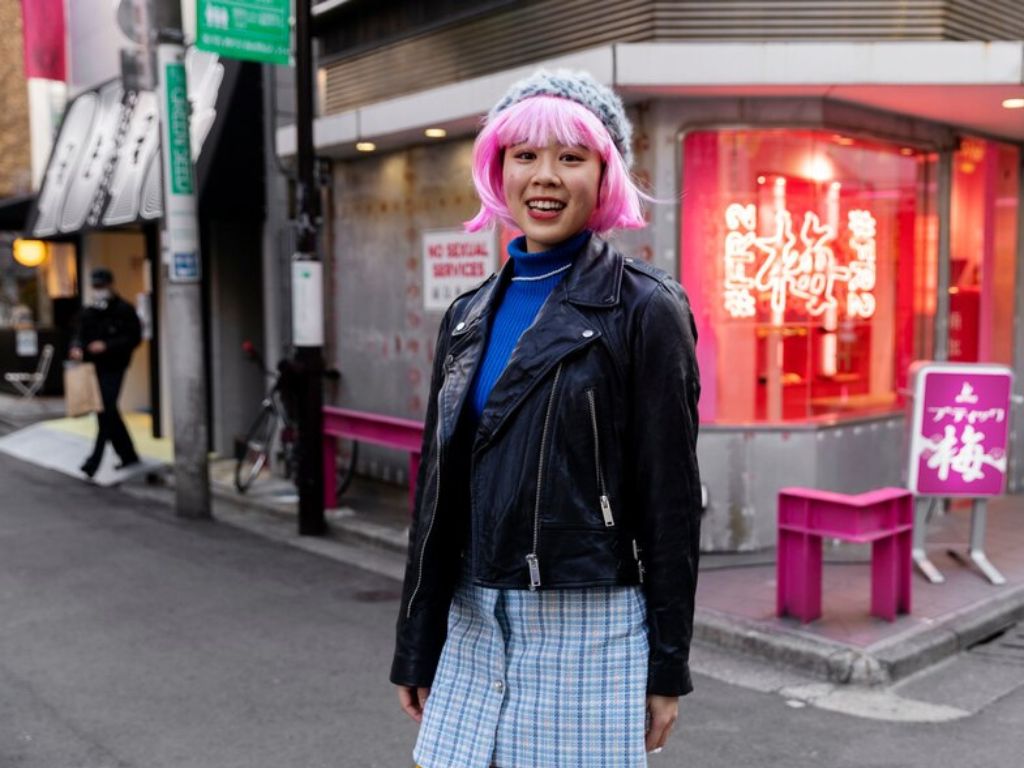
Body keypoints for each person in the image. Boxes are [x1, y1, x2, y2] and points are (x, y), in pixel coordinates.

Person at [390, 70, 702, 767]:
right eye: (524, 155)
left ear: (605, 172)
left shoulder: (645, 308)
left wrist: (668, 666)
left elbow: (671, 503)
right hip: (472, 613)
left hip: (588, 620)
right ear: (498, 170)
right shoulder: (468, 315)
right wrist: (416, 639)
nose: (545, 176)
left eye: (571, 156)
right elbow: (436, 492)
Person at [69, 268, 142, 478]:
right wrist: (77, 347)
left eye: (101, 286)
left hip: (115, 366)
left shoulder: (124, 310)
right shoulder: (89, 311)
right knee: (107, 411)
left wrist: (107, 346)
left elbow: (133, 338)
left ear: (110, 285)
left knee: (105, 410)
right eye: (96, 286)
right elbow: (78, 334)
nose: (98, 290)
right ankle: (128, 454)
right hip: (93, 368)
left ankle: (94, 461)